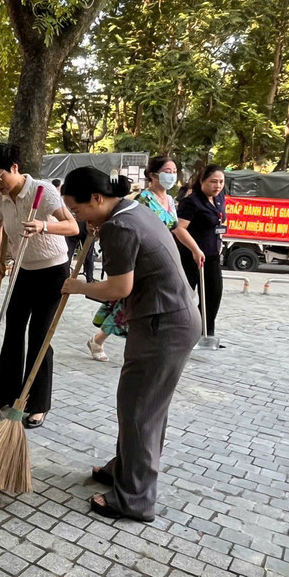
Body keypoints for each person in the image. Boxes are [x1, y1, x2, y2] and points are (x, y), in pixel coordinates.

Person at [60, 166, 199, 522]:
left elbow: (119, 288)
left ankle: (134, 499)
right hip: (168, 317)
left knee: (140, 409)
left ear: (97, 198)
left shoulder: (119, 226)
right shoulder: (131, 209)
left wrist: (79, 287)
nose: (78, 218)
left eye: (78, 210)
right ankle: (124, 467)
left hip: (163, 324)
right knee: (141, 404)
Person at [0, 143, 79, 428]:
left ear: (15, 167)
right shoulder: (0, 197)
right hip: (22, 269)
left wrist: (42, 226)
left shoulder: (42, 191)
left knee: (40, 336)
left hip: (53, 271)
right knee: (13, 330)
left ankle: (37, 404)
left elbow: (72, 226)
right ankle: (3, 394)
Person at [87, 156, 181, 362]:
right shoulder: (143, 200)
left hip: (162, 257)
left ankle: (100, 340)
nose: (172, 175)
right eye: (167, 170)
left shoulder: (171, 200)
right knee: (125, 302)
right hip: (138, 259)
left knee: (127, 304)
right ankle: (102, 340)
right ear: (153, 174)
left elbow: (175, 228)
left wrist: (193, 249)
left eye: (174, 171)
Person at [173, 164, 226, 339]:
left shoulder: (219, 199)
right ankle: (181, 330)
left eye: (221, 182)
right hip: (191, 255)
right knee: (186, 295)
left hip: (211, 255)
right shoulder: (192, 201)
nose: (217, 186)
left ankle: (205, 332)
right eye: (213, 182)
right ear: (202, 181)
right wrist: (195, 249)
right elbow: (180, 229)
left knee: (214, 294)